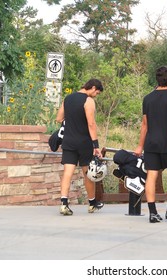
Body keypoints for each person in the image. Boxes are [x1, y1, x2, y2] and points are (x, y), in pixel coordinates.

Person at [134, 66, 167, 223]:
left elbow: (144, 125)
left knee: (152, 175)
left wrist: (140, 146)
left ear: (157, 79)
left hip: (151, 143)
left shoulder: (147, 99)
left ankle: (153, 212)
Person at [55, 78, 104, 216]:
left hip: (69, 141)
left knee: (67, 173)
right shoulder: (88, 101)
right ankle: (92, 203)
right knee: (88, 173)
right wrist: (96, 145)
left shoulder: (68, 98)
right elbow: (91, 124)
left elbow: (59, 118)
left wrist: (72, 121)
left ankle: (64, 203)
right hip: (84, 142)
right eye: (97, 93)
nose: (96, 95)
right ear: (93, 88)